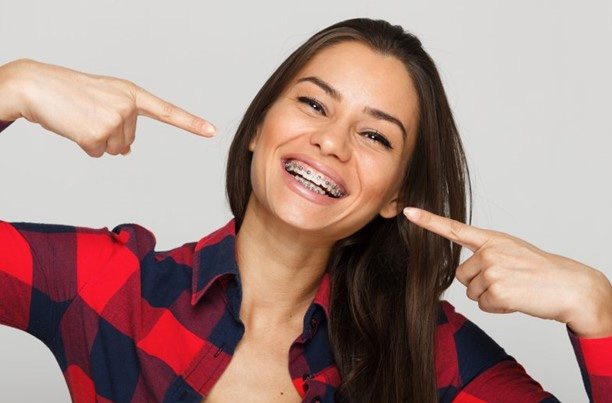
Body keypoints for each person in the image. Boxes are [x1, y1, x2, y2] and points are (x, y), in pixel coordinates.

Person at [0, 17, 610, 403]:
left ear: (396, 193)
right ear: (259, 127)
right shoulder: (111, 289)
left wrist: (597, 312)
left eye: (376, 136)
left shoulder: (430, 352)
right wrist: (12, 87)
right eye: (315, 105)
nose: (332, 142)